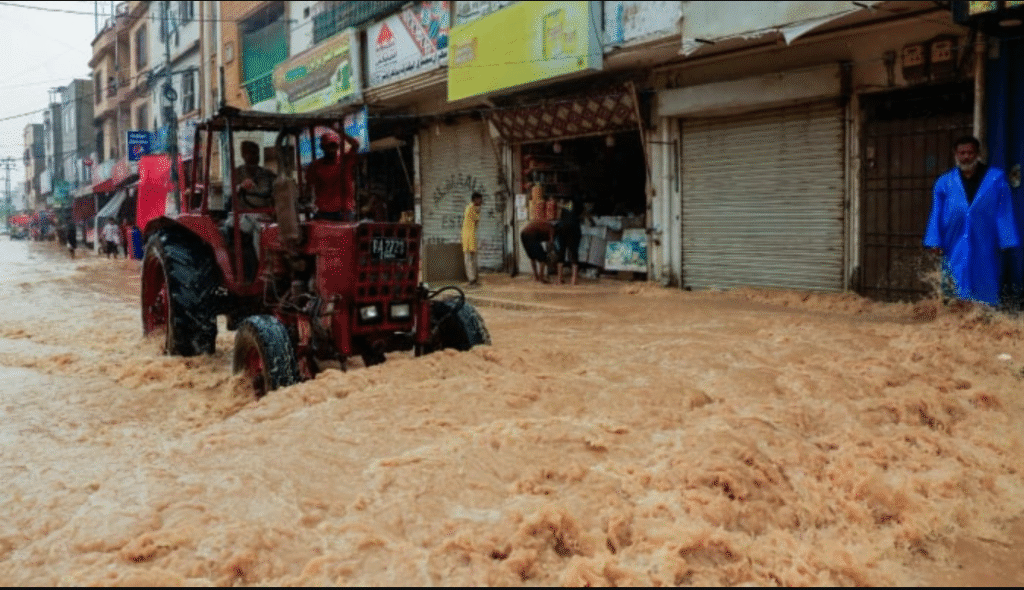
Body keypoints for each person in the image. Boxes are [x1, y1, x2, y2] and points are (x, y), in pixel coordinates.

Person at [924, 135, 1020, 307]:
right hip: (953, 239)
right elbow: (936, 212)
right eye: (962, 153)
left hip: (985, 238)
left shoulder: (996, 179)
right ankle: (954, 316)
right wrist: (934, 240)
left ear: (978, 154)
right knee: (954, 278)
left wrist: (1007, 239)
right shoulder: (944, 182)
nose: (966, 157)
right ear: (955, 154)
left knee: (984, 275)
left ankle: (982, 316)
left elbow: (1004, 210)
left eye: (970, 152)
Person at [305, 130, 359, 221]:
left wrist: (338, 130)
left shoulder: (344, 161)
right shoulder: (315, 166)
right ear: (322, 147)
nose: (332, 149)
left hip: (344, 211)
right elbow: (309, 186)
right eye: (329, 146)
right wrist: (308, 203)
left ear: (338, 147)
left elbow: (355, 144)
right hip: (323, 211)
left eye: (334, 146)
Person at [553, 193, 592, 285]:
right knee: (573, 252)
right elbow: (586, 216)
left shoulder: (566, 205)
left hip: (561, 228)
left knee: (561, 252)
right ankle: (574, 279)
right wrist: (592, 221)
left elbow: (559, 217)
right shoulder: (580, 206)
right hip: (574, 229)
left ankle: (559, 278)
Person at [461, 191, 483, 286]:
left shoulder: (473, 207)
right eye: (479, 199)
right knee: (469, 259)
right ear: (474, 199)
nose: (481, 201)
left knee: (472, 259)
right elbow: (476, 218)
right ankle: (471, 279)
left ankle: (473, 278)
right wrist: (478, 209)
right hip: (468, 236)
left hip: (471, 235)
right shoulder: (471, 208)